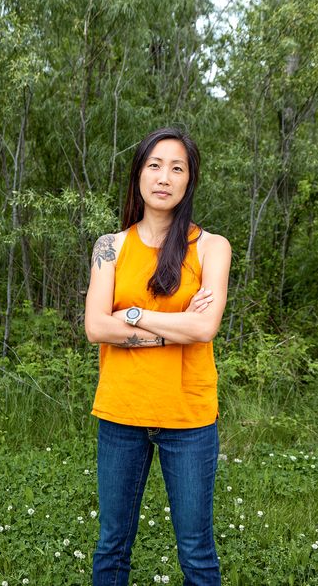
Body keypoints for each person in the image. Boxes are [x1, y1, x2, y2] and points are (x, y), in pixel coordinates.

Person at [84, 126, 232, 586]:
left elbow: (205, 327)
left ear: (189, 181)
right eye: (154, 165)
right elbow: (95, 327)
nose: (164, 176)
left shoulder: (211, 247)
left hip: (188, 417)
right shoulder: (110, 247)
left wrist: (129, 314)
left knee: (196, 551)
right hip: (122, 411)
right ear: (138, 175)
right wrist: (172, 329)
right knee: (112, 545)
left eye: (177, 168)